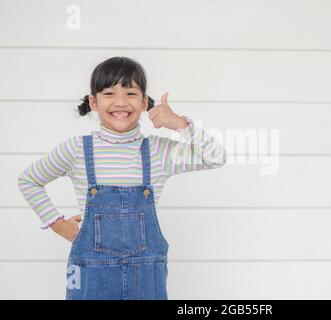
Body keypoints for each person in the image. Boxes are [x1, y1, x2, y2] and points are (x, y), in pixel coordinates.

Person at [17, 56, 227, 299]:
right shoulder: (76, 149)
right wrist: (57, 224)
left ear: (144, 102)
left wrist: (180, 124)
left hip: (146, 278)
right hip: (90, 278)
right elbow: (29, 180)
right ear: (93, 102)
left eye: (130, 93)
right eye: (109, 93)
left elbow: (216, 157)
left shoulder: (158, 151)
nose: (120, 102)